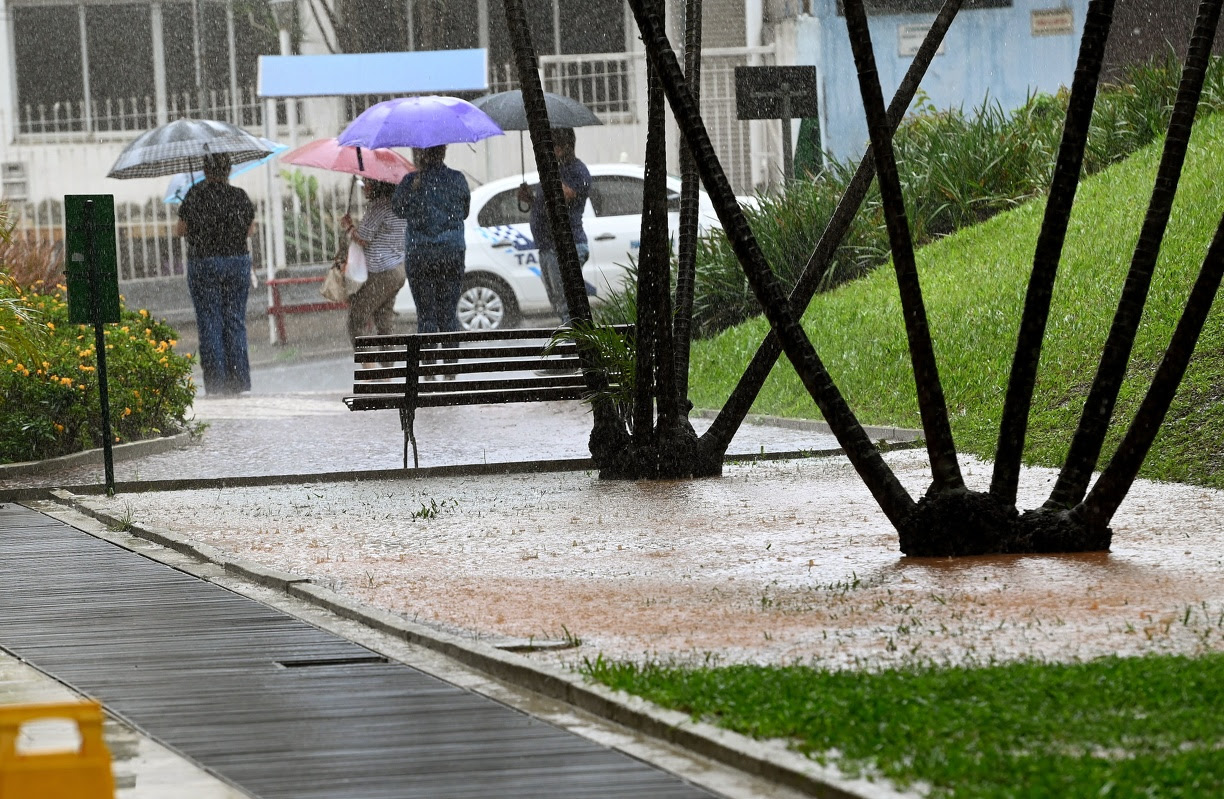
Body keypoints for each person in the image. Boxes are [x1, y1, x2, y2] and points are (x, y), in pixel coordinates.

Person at [176, 152, 256, 397]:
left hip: (203, 262)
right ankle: (238, 380)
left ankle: (216, 383)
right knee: (234, 321)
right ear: (229, 170)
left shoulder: (194, 195)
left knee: (209, 321)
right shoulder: (240, 196)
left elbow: (180, 231)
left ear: (205, 170)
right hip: (236, 261)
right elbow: (250, 231)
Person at [392, 145, 470, 375]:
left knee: (426, 314)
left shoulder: (410, 182)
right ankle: (450, 368)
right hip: (451, 254)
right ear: (443, 152)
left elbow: (397, 209)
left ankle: (428, 369)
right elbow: (464, 211)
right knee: (448, 312)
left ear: (418, 154)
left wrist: (415, 191)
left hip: (420, 255)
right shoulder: (457, 179)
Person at [516, 127, 592, 327]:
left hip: (567, 245)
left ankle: (575, 345)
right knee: (558, 301)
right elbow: (547, 206)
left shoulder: (577, 170)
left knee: (567, 302)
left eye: (554, 145)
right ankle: (573, 338)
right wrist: (530, 199)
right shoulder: (555, 170)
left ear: (566, 146)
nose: (551, 150)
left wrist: (549, 169)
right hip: (547, 246)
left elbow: (565, 196)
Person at [341, 179, 407, 364]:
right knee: (384, 322)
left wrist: (348, 227)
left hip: (381, 273)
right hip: (397, 270)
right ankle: (387, 374)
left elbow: (363, 238)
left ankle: (369, 369)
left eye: (367, 185)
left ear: (377, 186)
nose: (364, 189)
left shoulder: (379, 206)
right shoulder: (399, 205)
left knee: (356, 321)